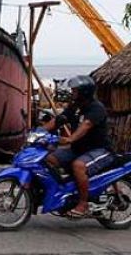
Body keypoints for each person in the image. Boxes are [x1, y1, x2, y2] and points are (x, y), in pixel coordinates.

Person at [43, 75, 113, 217]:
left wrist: (70, 139)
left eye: (75, 90)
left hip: (98, 150)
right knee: (49, 159)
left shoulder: (96, 108)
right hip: (78, 149)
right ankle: (65, 190)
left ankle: (83, 204)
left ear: (84, 92)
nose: (72, 93)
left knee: (78, 166)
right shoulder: (75, 107)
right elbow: (59, 120)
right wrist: (38, 132)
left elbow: (85, 125)